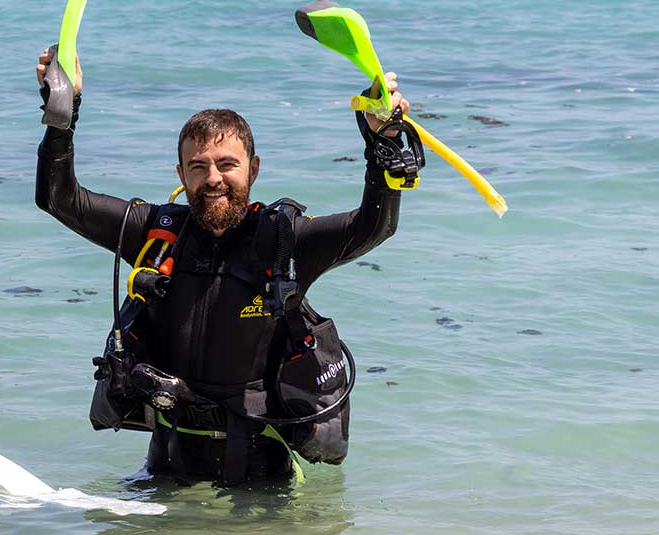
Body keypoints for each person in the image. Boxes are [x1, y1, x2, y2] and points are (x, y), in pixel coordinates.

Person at [34, 46, 408, 485]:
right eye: (198, 166)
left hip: (261, 478)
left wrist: (382, 142)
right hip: (165, 468)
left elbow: (374, 226)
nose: (213, 178)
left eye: (227, 165)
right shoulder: (154, 233)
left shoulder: (285, 241)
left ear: (253, 169)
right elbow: (59, 198)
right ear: (181, 174)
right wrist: (63, 113)